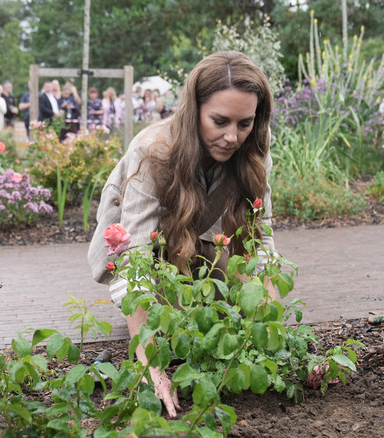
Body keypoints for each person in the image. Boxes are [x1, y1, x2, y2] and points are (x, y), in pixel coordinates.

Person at [87, 51, 276, 418]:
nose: (232, 136)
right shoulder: (153, 149)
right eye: (219, 121)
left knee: (226, 303)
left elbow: (261, 239)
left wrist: (268, 328)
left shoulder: (254, 148)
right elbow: (135, 258)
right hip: (134, 241)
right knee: (162, 329)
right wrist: (151, 367)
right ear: (194, 110)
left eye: (244, 123)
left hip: (189, 236)